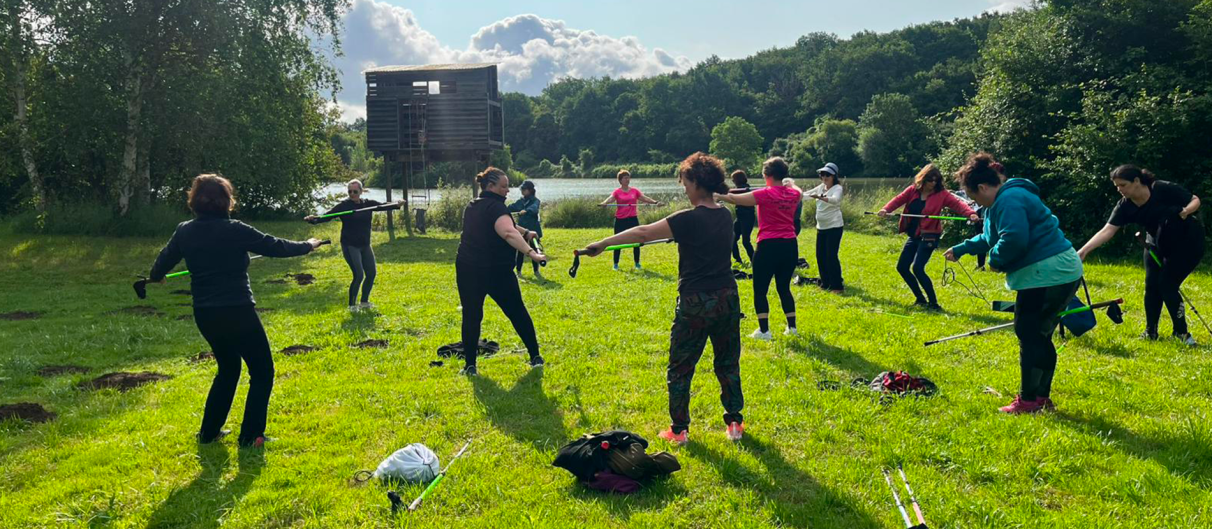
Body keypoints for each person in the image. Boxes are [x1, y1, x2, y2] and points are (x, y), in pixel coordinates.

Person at [148, 174, 323, 447]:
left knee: (228, 369)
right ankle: (252, 436)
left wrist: (156, 276)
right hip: (237, 310)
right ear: (226, 201)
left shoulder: (184, 230)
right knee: (262, 371)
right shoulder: (235, 229)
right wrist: (308, 245)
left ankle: (209, 433)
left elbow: (163, 261)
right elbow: (275, 246)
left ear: (195, 201)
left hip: (206, 314)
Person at [579, 153, 744, 445]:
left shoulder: (686, 219)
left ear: (696, 183)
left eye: (686, 183)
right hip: (727, 297)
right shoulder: (724, 215)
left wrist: (603, 243)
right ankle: (735, 424)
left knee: (680, 368)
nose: (684, 189)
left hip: (695, 302)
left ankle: (679, 431)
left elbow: (643, 232)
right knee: (727, 362)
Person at [945, 153, 1083, 414]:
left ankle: (1029, 401)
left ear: (983, 187)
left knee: (1029, 334)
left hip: (1047, 272)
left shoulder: (1009, 199)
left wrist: (995, 260)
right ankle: (1040, 399)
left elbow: (1014, 238)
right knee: (1039, 335)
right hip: (1059, 270)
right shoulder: (1002, 201)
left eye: (974, 197)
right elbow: (990, 236)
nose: (975, 203)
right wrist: (962, 248)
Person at [1076, 165, 1204, 345]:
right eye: (1117, 186)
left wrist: (1185, 212)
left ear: (1136, 181)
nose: (1119, 189)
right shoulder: (1125, 206)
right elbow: (1107, 230)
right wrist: (1083, 251)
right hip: (1156, 243)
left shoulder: (1161, 188)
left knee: (1167, 284)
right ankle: (1150, 332)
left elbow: (1195, 200)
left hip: (1187, 243)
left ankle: (1182, 334)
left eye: (1123, 185)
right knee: (1152, 285)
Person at [457, 167, 548, 376]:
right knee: (517, 312)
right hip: (495, 271)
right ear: (491, 186)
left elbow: (506, 226)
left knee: (471, 315)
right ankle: (535, 357)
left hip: (468, 268)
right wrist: (531, 253)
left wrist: (526, 232)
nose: (507, 190)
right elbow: (507, 232)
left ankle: (470, 366)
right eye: (504, 186)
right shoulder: (497, 208)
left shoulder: (473, 205)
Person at [717, 157, 802, 339]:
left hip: (768, 246)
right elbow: (799, 190)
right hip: (790, 245)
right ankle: (792, 328)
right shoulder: (794, 194)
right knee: (784, 288)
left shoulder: (764, 194)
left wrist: (715, 195)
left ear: (767, 175)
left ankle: (764, 331)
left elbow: (733, 198)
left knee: (760, 289)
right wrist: (791, 184)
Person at [878, 164, 979, 311]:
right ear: (923, 179)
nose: (933, 183)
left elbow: (957, 204)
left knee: (918, 268)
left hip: (930, 235)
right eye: (930, 180)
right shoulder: (912, 190)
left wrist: (971, 214)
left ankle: (934, 303)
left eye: (936, 180)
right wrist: (885, 209)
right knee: (902, 267)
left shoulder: (942, 194)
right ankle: (920, 299)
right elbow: (898, 200)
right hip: (914, 235)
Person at [304, 179, 396, 311]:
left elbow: (382, 206)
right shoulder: (344, 206)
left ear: (361, 191)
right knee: (359, 275)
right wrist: (314, 220)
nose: (352, 194)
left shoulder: (367, 204)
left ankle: (364, 302)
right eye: (350, 191)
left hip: (365, 245)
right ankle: (352, 306)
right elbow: (328, 216)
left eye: (355, 191)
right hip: (350, 245)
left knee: (371, 273)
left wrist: (397, 204)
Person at [599, 170, 660, 270]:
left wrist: (655, 202)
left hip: (632, 219)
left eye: (628, 177)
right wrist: (604, 203)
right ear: (620, 180)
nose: (627, 180)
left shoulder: (634, 191)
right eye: (625, 178)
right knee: (617, 241)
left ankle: (637, 263)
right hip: (620, 220)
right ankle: (615, 264)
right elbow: (610, 198)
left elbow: (644, 198)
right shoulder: (617, 192)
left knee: (637, 240)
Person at [807, 162, 845, 293]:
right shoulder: (820, 187)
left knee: (831, 256)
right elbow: (806, 195)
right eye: (822, 174)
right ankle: (825, 283)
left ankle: (837, 286)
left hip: (834, 227)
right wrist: (790, 193)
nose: (824, 177)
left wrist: (820, 197)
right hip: (821, 227)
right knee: (820, 256)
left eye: (827, 174)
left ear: (834, 176)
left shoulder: (837, 188)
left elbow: (835, 200)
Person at [509, 180, 544, 280]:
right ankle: (518, 272)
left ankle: (536, 271)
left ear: (530, 190)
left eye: (524, 189)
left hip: (533, 230)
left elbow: (534, 208)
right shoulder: (520, 201)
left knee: (534, 250)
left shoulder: (536, 201)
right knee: (520, 250)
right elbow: (511, 207)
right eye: (522, 189)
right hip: (522, 230)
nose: (522, 191)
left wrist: (526, 211)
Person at [729, 170, 756, 266]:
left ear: (737, 180)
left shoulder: (745, 189)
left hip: (747, 218)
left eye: (733, 179)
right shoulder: (739, 189)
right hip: (740, 218)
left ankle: (754, 261)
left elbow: (732, 195)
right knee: (732, 238)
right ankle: (738, 259)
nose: (732, 181)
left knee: (745, 241)